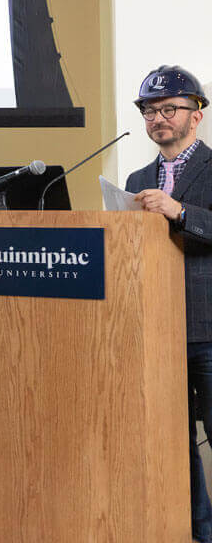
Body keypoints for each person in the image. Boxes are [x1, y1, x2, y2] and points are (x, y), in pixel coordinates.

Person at [124, 65, 212, 543]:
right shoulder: (138, 176)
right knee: (175, 447)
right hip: (156, 330)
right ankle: (198, 533)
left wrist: (178, 212)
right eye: (150, 111)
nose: (159, 118)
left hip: (207, 329)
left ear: (195, 115)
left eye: (169, 109)